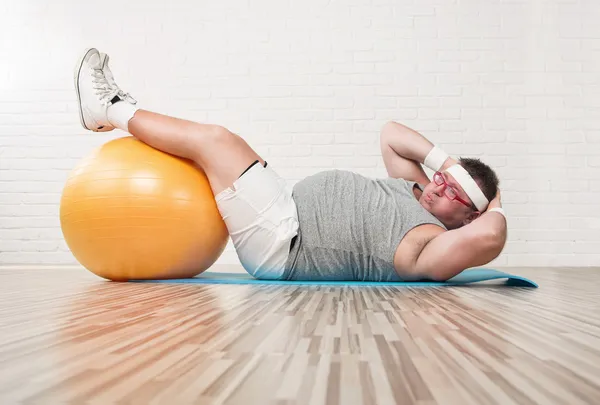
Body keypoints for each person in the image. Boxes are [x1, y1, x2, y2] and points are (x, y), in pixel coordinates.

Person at [74, 48, 507, 282]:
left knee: (216, 141)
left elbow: (491, 235)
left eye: (455, 193)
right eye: (442, 179)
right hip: (283, 208)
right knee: (226, 143)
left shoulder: (431, 247)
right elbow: (391, 133)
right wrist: (448, 165)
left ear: (469, 215)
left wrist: (493, 205)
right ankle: (112, 109)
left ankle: (109, 109)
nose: (438, 187)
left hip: (284, 244)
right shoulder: (414, 187)